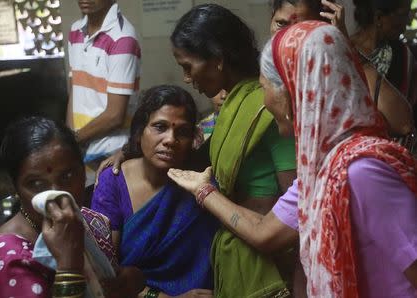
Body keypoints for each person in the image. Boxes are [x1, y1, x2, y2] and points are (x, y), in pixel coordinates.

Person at [168, 21, 417, 297]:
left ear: (293, 91)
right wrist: (203, 190)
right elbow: (264, 232)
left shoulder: (363, 171)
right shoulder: (322, 172)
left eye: (265, 88)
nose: (263, 101)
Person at [170, 4, 297, 297]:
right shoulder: (229, 108)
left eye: (188, 66)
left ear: (217, 60)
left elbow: (297, 212)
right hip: (240, 250)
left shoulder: (270, 109)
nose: (187, 79)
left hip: (273, 264)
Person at [0, 116, 144, 297]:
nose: (56, 194)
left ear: (83, 171)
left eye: (68, 176)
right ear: (14, 187)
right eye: (36, 184)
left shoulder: (89, 220)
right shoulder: (9, 261)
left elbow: (112, 277)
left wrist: (133, 279)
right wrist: (68, 264)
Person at [91, 85, 218, 297]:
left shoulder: (201, 182)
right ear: (140, 132)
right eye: (160, 127)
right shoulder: (112, 182)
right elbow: (107, 276)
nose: (170, 140)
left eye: (183, 132)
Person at [269, 0, 416, 139]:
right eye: (281, 24)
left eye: (304, 29)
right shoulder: (265, 76)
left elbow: (402, 124)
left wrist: (345, 46)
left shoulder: (333, 75)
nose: (289, 37)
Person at [66, 0, 141, 183]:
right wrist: (68, 137)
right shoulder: (75, 31)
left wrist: (72, 140)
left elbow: (115, 115)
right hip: (81, 147)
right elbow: (74, 92)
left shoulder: (123, 38)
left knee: (102, 207)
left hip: (110, 152)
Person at [351, 0, 417, 144]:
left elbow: (405, 123)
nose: (408, 21)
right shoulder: (344, 51)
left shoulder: (403, 55)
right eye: (403, 15)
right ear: (379, 18)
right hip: (356, 152)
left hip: (396, 156)